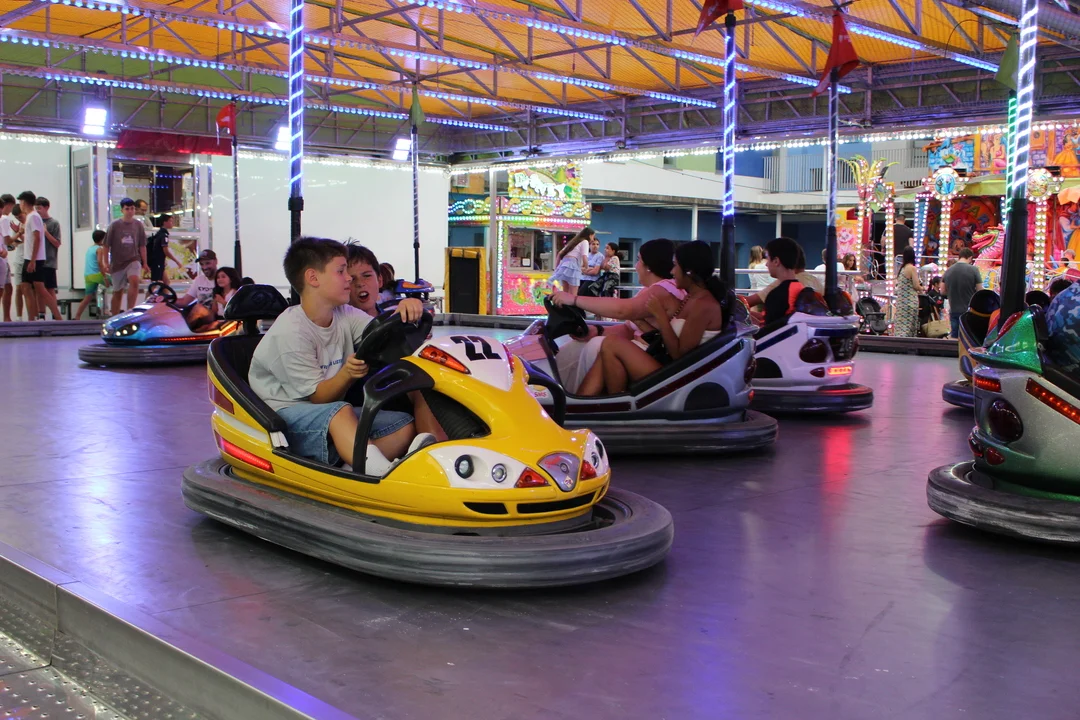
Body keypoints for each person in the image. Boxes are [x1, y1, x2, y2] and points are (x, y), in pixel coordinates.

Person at [248, 237, 432, 475]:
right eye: (341, 271)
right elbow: (319, 399)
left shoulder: (344, 314)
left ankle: (352, 469)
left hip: (329, 411)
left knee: (403, 426)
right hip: (284, 417)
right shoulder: (291, 332)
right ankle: (379, 475)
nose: (349, 279)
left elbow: (379, 332)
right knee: (341, 411)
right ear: (313, 278)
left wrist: (406, 311)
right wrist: (347, 373)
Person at [577, 241, 727, 396]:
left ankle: (616, 402)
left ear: (689, 271)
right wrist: (641, 323)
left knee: (611, 344)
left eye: (676, 266)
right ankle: (583, 403)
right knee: (607, 350)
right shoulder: (692, 297)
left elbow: (679, 355)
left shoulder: (702, 305)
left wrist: (660, 315)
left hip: (678, 374)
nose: (672, 271)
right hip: (671, 365)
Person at [549, 238, 685, 393]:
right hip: (642, 349)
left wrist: (574, 299)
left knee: (596, 345)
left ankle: (570, 397)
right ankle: (559, 393)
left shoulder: (663, 290)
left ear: (649, 266)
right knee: (578, 346)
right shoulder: (650, 290)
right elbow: (628, 329)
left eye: (639, 260)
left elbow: (622, 310)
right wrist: (598, 331)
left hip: (651, 356)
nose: (636, 266)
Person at [744, 237, 806, 327]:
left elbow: (769, 328)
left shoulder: (777, 295)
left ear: (776, 261)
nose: (766, 264)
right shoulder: (801, 288)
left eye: (768, 259)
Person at [104, 197, 148, 315]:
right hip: (118, 263)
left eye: (132, 208)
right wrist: (106, 263)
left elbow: (142, 245)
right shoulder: (114, 225)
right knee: (118, 292)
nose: (130, 211)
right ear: (122, 210)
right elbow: (106, 245)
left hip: (133, 259)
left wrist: (145, 262)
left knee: (134, 281)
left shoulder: (138, 225)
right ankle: (115, 316)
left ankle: (130, 311)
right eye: (127, 209)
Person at [18, 191, 52, 321]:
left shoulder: (33, 217)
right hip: (29, 258)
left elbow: (37, 238)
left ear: (24, 202)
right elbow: (31, 239)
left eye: (20, 202)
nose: (20, 205)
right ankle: (32, 318)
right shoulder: (30, 217)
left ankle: (58, 317)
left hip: (34, 259)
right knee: (26, 287)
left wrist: (32, 260)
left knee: (41, 289)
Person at [33, 197, 63, 319]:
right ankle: (41, 315)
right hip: (37, 261)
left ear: (46, 207)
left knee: (50, 288)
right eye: (36, 208)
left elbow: (57, 243)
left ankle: (55, 315)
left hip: (49, 261)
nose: (37, 210)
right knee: (38, 289)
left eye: (39, 208)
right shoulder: (35, 221)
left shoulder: (54, 223)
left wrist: (45, 232)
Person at [942, 246, 982, 338]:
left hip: (954, 309)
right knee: (968, 337)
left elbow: (943, 291)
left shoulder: (948, 271)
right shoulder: (974, 270)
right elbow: (979, 290)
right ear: (970, 258)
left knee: (955, 336)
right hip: (969, 311)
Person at [549, 227, 594, 295]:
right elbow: (584, 256)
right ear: (590, 235)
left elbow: (559, 254)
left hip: (564, 266)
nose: (593, 239)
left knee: (565, 293)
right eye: (593, 236)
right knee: (573, 294)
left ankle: (563, 302)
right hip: (573, 266)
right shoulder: (585, 242)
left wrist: (556, 269)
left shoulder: (573, 242)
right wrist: (587, 268)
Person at [74, 230, 108, 320]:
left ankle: (77, 316)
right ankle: (110, 310)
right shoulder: (99, 249)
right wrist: (105, 277)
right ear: (102, 239)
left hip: (88, 276)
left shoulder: (90, 249)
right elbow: (100, 263)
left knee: (87, 297)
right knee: (116, 285)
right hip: (97, 275)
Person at [893, 246, 924, 338]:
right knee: (909, 327)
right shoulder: (912, 268)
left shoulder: (902, 269)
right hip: (910, 302)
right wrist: (923, 288)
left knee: (901, 327)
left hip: (901, 302)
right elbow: (916, 285)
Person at [147, 213, 182, 286]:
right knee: (155, 283)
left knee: (166, 282)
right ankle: (150, 294)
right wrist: (177, 261)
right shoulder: (163, 235)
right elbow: (166, 251)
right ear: (164, 222)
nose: (172, 223)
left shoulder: (159, 234)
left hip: (158, 262)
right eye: (170, 221)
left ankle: (165, 294)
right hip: (157, 262)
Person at [0, 194, 15, 322]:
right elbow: (7, 240)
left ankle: (7, 317)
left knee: (7, 287)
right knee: (4, 288)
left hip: (3, 255)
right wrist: (19, 233)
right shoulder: (4, 219)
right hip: (2, 258)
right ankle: (6, 317)